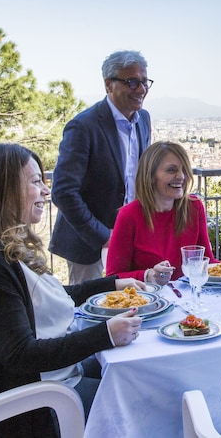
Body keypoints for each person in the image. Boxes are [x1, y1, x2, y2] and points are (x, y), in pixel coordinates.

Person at [0, 144, 144, 438]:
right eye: (36, 181)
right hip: (30, 409)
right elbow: (21, 355)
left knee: (131, 371)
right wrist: (105, 334)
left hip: (38, 386)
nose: (45, 191)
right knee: (139, 399)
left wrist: (110, 284)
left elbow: (39, 296)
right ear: (2, 189)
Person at [49, 50, 153, 284]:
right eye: (132, 82)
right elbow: (63, 192)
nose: (141, 89)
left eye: (144, 82)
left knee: (136, 303)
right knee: (90, 309)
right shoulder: (83, 126)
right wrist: (104, 236)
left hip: (130, 235)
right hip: (89, 244)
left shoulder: (143, 119)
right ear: (109, 84)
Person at [106, 141, 219, 282]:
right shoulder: (129, 215)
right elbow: (113, 277)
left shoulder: (194, 207)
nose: (181, 176)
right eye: (172, 170)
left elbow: (207, 262)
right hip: (146, 299)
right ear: (151, 176)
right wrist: (148, 275)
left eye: (184, 170)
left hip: (188, 297)